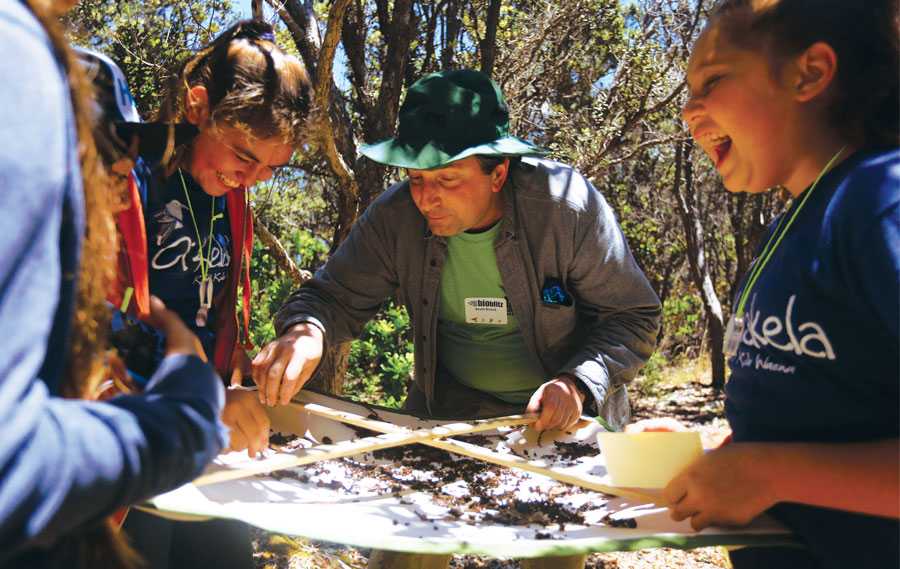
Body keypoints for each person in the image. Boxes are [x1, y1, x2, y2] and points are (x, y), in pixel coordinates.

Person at [253, 69, 662, 569]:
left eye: (447, 179)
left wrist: (577, 383)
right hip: (447, 412)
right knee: (405, 553)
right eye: (416, 178)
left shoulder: (565, 208)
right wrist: (306, 331)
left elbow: (635, 315)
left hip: (562, 421)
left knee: (555, 550)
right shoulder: (396, 219)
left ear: (498, 173)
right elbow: (330, 297)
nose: (426, 197)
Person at [628, 1, 899, 568]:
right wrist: (719, 459)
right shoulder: (793, 223)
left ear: (810, 73)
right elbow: (833, 415)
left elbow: (787, 467)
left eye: (713, 79)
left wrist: (767, 473)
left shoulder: (879, 202)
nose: (688, 111)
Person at [0, 1, 228, 567]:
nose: (128, 198)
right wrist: (184, 420)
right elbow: (13, 463)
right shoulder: (17, 51)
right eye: (116, 174)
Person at [100, 19, 314, 569]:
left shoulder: (231, 197)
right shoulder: (128, 174)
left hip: (202, 431)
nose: (255, 179)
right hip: (129, 427)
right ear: (199, 107)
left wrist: (237, 369)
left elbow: (213, 311)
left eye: (274, 167)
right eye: (245, 158)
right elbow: (99, 318)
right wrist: (205, 396)